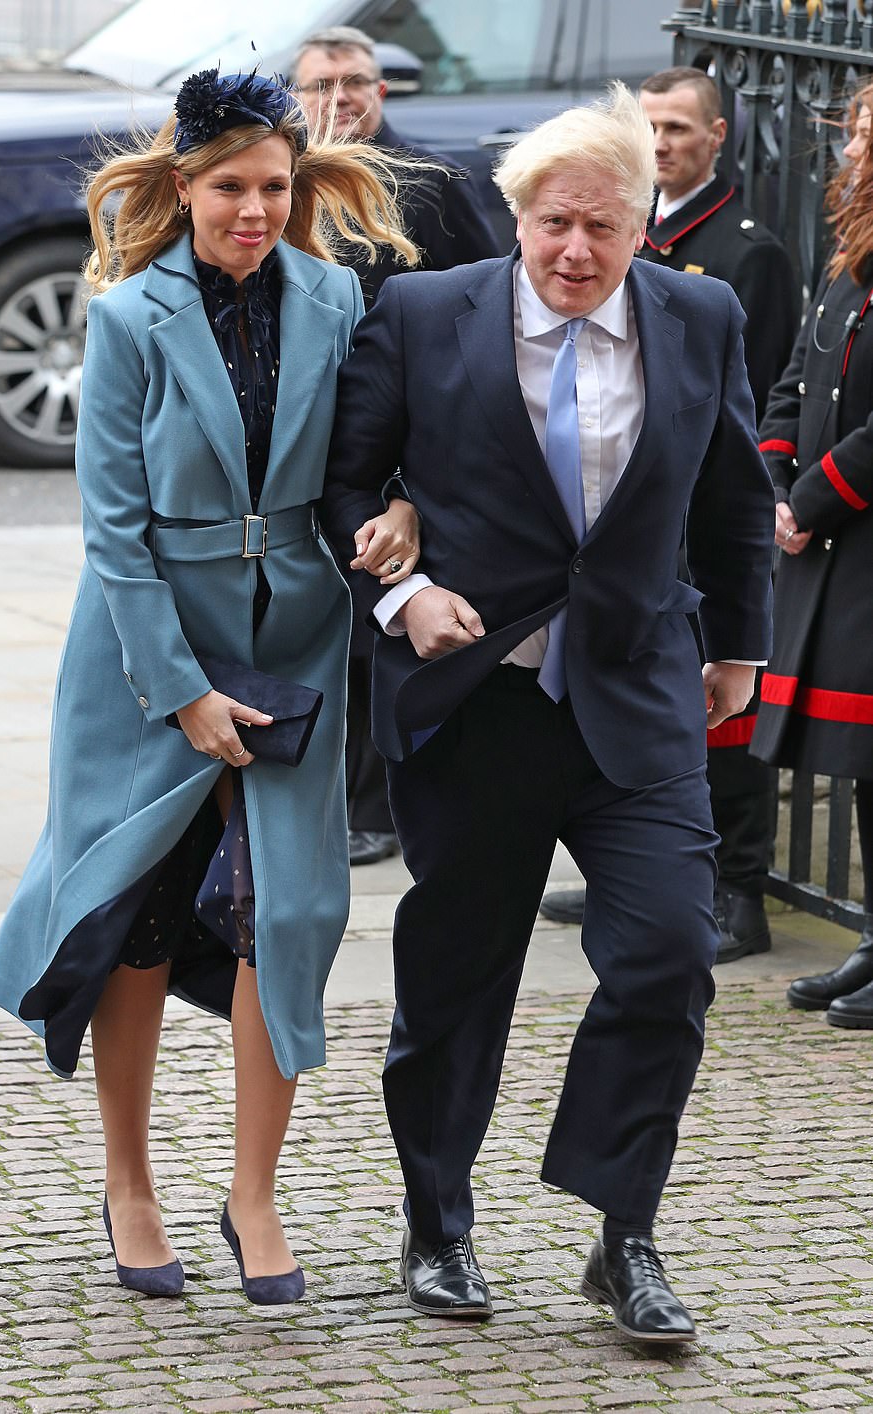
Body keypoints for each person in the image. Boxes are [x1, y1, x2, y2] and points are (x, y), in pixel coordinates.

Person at [321, 84, 774, 1344]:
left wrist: (738, 644)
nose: (576, 250)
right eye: (554, 223)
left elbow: (732, 492)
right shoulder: (424, 313)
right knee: (455, 981)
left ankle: (622, 1232)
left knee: (667, 954)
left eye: (603, 226)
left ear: (642, 227)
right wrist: (401, 591)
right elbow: (343, 480)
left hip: (635, 689)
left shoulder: (698, 314)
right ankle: (436, 1222)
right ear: (517, 216)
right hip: (478, 699)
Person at [0, 68, 420, 1303]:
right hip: (143, 654)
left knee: (282, 911)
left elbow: (378, 449)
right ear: (182, 187)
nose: (254, 211)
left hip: (295, 643)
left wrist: (400, 507)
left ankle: (253, 1192)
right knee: (136, 906)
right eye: (230, 187)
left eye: (274, 186)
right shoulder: (126, 317)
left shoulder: (337, 296)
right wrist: (180, 692)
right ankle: (129, 1181)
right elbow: (113, 535)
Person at [541, 67, 799, 964]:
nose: (662, 142)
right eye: (649, 126)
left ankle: (739, 887)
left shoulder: (746, 250)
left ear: (717, 137)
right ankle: (622, 859)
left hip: (693, 527)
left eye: (680, 128)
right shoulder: (622, 228)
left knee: (722, 720)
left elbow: (747, 398)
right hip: (627, 533)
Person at [293, 24, 500, 867]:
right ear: (296, 96)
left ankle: (376, 804)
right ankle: (319, 791)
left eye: (355, 81)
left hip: (397, 442)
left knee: (377, 612)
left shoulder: (431, 182)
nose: (339, 98)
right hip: (301, 438)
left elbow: (487, 305)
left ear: (381, 91)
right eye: (320, 84)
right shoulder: (283, 181)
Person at [751, 83, 873, 1028]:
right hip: (829, 536)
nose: (855, 150)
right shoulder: (850, 252)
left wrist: (815, 494)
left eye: (870, 137)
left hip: (859, 533)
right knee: (865, 763)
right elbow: (799, 374)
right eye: (857, 134)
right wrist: (776, 477)